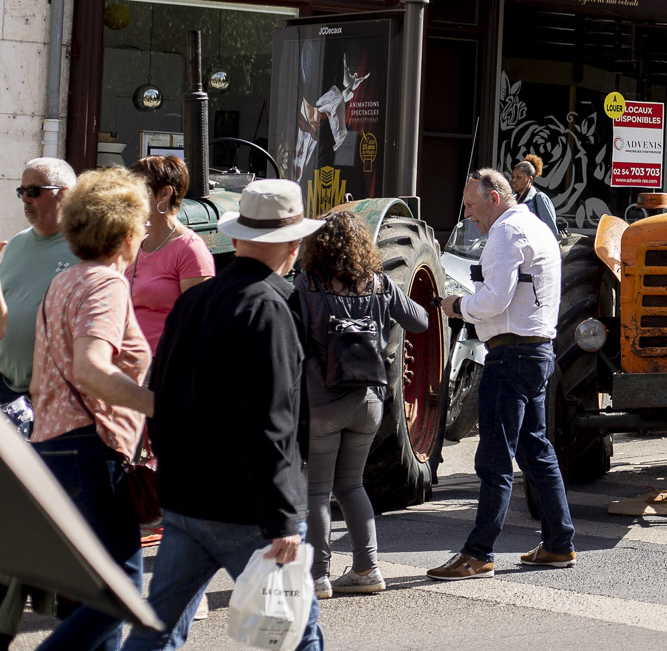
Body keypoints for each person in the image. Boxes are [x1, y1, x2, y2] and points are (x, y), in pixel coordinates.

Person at [126, 178, 326, 651]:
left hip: (186, 497)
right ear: (293, 243)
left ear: (235, 238)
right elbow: (271, 423)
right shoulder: (271, 308)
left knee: (158, 630)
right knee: (296, 633)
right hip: (247, 508)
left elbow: (160, 390)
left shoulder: (195, 299)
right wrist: (281, 518)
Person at [29, 168, 154, 651]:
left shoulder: (64, 282)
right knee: (120, 593)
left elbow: (45, 379)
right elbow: (91, 369)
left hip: (54, 448)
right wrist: (159, 406)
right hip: (92, 449)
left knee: (90, 595)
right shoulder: (106, 284)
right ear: (126, 233)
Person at [430, 169, 575, 577]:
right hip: (537, 351)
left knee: (494, 458)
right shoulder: (536, 226)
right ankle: (559, 543)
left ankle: (478, 553)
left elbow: (494, 299)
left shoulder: (506, 233)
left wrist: (458, 305)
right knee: (536, 450)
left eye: (473, 207)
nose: (470, 216)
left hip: (509, 354)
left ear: (494, 198)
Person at [298, 210, 429, 598]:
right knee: (353, 486)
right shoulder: (380, 283)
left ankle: (318, 576)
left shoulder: (309, 284)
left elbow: (295, 333)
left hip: (323, 400)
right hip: (370, 401)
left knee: (318, 492)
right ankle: (367, 569)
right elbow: (420, 320)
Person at [0, 157, 80, 408]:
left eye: (34, 191)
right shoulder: (15, 244)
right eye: (21, 191)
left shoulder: (87, 249)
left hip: (56, 395)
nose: (25, 198)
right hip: (5, 387)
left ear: (64, 195)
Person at [127, 156, 214, 352]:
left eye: (136, 189)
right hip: (128, 364)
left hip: (164, 368)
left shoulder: (191, 250)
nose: (128, 197)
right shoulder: (136, 243)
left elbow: (200, 325)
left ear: (164, 193)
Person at [511, 155, 559, 236]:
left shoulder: (539, 199)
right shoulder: (513, 201)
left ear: (530, 179)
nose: (514, 180)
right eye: (513, 177)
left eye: (518, 177)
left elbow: (551, 232)